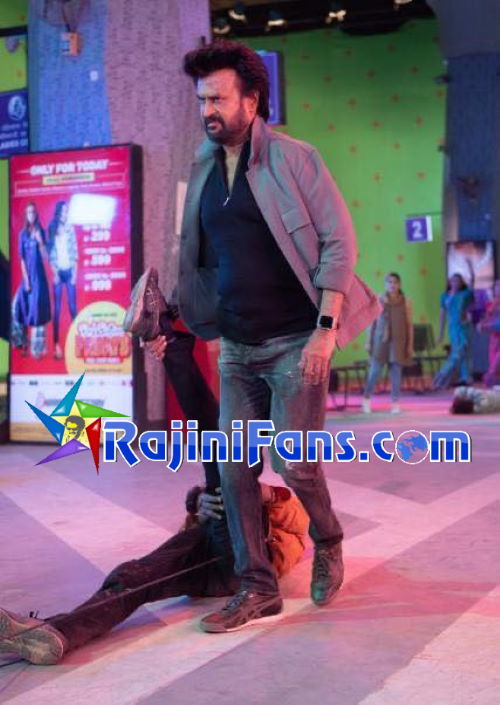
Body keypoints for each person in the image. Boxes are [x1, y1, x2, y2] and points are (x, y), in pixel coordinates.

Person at [147, 40, 380, 632]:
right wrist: (184, 322)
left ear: (252, 100)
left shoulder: (295, 159)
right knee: (233, 467)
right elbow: (198, 259)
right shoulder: (202, 169)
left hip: (297, 341)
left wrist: (325, 331)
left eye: (218, 99)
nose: (207, 110)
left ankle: (329, 538)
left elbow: (339, 243)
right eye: (202, 100)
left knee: (294, 463)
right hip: (236, 345)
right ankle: (257, 586)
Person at [0, 481, 308, 665]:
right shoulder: (211, 514)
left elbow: (298, 523)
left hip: (239, 566)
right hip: (202, 557)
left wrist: (269, 495)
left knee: (137, 579)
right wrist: (200, 510)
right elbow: (187, 534)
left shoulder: (279, 519)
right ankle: (55, 633)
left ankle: (51, 632)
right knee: (133, 577)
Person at [362, 272, 413, 414]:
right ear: (385, 284)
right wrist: (368, 341)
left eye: (395, 282)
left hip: (398, 340)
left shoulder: (406, 301)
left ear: (399, 284)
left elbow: (409, 325)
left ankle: (395, 402)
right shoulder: (379, 300)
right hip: (380, 340)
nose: (392, 285)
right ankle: (366, 399)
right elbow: (372, 323)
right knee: (375, 371)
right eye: (389, 282)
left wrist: (409, 344)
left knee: (396, 373)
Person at [11, 202, 51, 358]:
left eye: (33, 212)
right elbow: (22, 259)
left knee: (37, 311)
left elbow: (46, 258)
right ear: (26, 215)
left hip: (39, 278)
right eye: (28, 212)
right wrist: (26, 280)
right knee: (16, 306)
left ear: (36, 214)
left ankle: (37, 349)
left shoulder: (41, 231)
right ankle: (20, 341)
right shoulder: (23, 234)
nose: (31, 215)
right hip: (28, 277)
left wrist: (40, 242)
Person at [47, 201, 78, 360]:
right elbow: (50, 254)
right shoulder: (51, 228)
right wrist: (55, 273)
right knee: (57, 310)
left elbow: (75, 251)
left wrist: (74, 274)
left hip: (69, 271)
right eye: (63, 211)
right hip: (58, 272)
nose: (65, 214)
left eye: (67, 212)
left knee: (73, 307)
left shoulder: (70, 228)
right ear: (58, 212)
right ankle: (56, 346)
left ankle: (77, 342)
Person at [433, 272, 474, 389]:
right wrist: (440, 334)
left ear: (461, 283)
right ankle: (440, 377)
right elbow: (442, 316)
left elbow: (473, 306)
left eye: (458, 281)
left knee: (464, 352)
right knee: (457, 354)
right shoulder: (445, 296)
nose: (455, 283)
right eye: (453, 280)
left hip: (464, 327)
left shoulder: (465, 294)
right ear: (449, 282)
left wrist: (470, 269)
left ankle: (465, 378)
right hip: (453, 329)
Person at [477, 279, 500, 387]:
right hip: (494, 338)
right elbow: (487, 319)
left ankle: (490, 375)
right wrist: (482, 325)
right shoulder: (491, 304)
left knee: (496, 362)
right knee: (493, 359)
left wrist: (488, 326)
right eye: (497, 286)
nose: (498, 288)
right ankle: (494, 380)